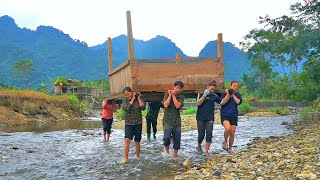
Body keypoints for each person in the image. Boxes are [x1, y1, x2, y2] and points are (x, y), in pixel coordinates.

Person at [196, 80, 222, 158]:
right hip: (200, 117)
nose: (212, 91)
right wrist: (204, 95)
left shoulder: (214, 96)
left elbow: (221, 102)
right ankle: (199, 145)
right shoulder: (200, 94)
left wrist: (227, 95)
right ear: (207, 87)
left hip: (210, 117)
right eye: (211, 89)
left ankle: (207, 151)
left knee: (209, 133)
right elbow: (198, 103)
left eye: (213, 90)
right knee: (201, 134)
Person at [121, 87, 146, 163]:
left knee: (137, 141)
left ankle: (137, 157)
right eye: (125, 95)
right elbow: (127, 109)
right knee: (127, 140)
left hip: (138, 123)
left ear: (131, 92)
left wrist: (137, 98)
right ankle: (126, 158)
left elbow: (143, 107)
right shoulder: (124, 101)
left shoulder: (138, 98)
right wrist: (132, 99)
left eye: (128, 94)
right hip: (129, 124)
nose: (127, 96)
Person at [162, 80, 184, 160]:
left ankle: (175, 154)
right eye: (177, 88)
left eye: (180, 88)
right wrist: (170, 95)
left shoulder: (181, 97)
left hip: (177, 121)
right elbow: (165, 105)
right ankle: (167, 152)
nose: (178, 90)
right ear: (174, 87)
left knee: (177, 138)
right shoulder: (166, 95)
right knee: (166, 137)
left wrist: (174, 96)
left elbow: (178, 106)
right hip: (167, 120)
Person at [220, 80, 242, 155]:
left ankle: (230, 148)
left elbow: (238, 102)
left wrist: (233, 95)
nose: (235, 88)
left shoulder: (238, 94)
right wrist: (228, 94)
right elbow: (222, 102)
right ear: (230, 86)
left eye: (236, 86)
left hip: (234, 115)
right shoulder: (224, 94)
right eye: (233, 86)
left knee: (232, 133)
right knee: (228, 128)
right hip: (225, 114)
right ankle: (225, 141)